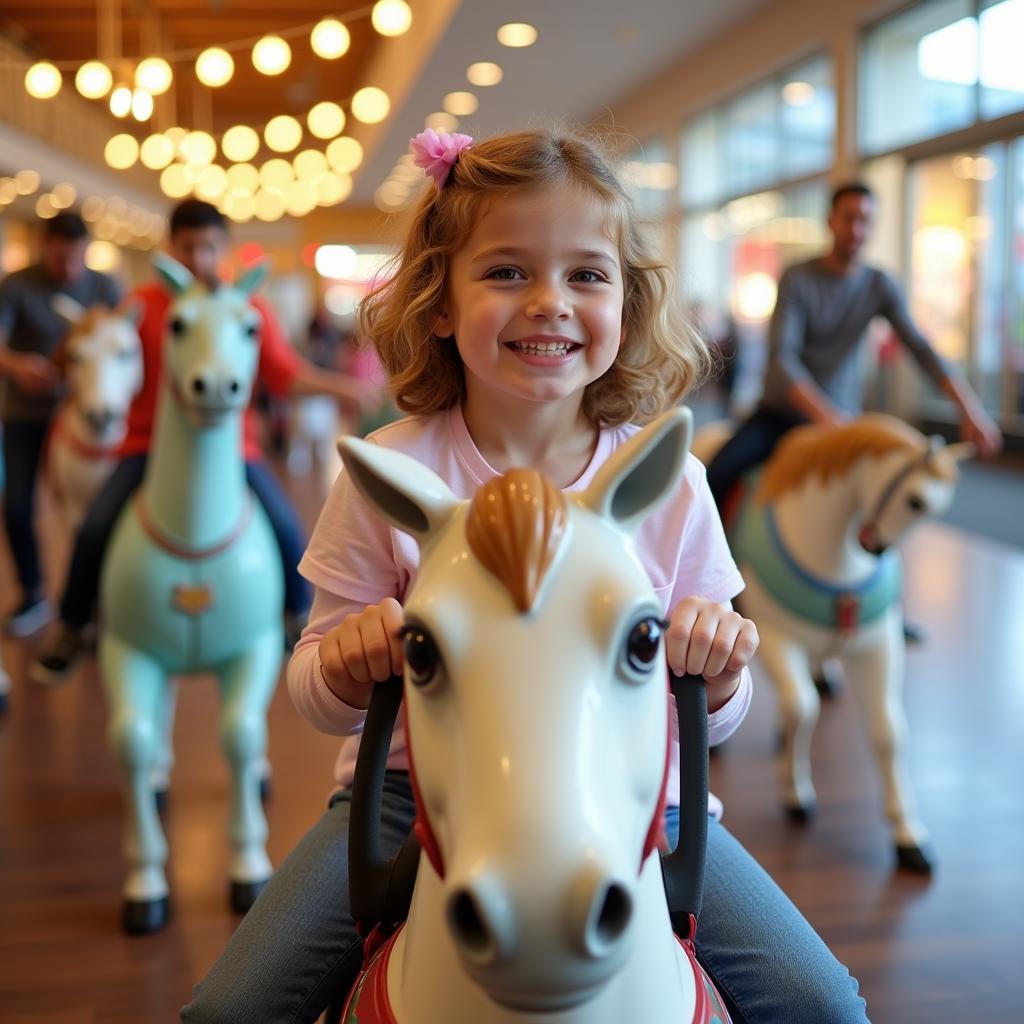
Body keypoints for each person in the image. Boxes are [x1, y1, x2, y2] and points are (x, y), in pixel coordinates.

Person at [181, 129, 868, 1024]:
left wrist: (724, 668)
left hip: (636, 795)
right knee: (232, 1008)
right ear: (437, 299)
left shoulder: (671, 482)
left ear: (626, 302)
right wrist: (345, 666)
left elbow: (714, 706)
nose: (549, 303)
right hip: (408, 788)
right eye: (507, 273)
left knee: (822, 1004)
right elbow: (314, 684)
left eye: (586, 275)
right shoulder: (389, 472)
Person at [31, 199, 368, 682]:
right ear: (172, 248)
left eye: (208, 247)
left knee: (286, 526)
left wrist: (339, 386)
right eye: (188, 247)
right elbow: (108, 353)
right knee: (95, 527)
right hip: (146, 443)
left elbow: (282, 373)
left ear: (223, 248)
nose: (199, 258)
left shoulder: (248, 306)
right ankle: (72, 623)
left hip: (232, 448)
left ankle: (298, 617)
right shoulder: (144, 306)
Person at [706, 182, 1002, 511]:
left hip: (844, 418)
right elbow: (782, 360)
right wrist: (825, 415)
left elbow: (920, 348)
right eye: (849, 218)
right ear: (831, 221)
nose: (857, 229)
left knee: (884, 499)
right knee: (715, 476)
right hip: (781, 415)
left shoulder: (879, 284)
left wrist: (970, 410)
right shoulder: (797, 277)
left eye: (865, 220)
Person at [0, 211, 121, 636]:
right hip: (26, 414)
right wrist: (17, 366)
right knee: (16, 505)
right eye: (58, 261)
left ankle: (93, 599)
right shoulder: (16, 284)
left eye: (75, 260)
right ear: (43, 246)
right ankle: (33, 593)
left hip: (87, 419)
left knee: (96, 512)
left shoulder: (105, 287)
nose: (68, 269)